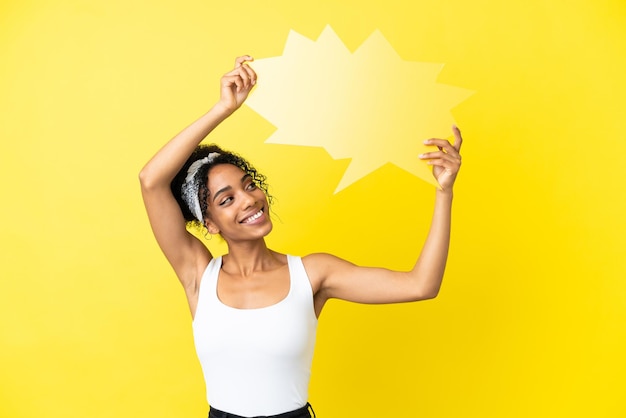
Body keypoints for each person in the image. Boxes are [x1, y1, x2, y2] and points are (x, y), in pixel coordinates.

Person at [139, 55, 463, 418]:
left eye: (249, 186)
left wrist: (443, 193)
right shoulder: (197, 274)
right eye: (227, 199)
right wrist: (223, 108)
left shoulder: (312, 274)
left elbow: (421, 285)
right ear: (210, 223)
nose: (249, 200)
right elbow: (151, 180)